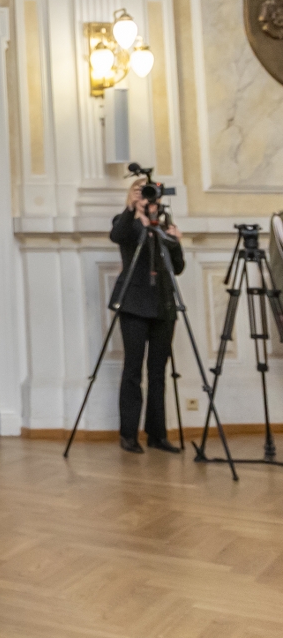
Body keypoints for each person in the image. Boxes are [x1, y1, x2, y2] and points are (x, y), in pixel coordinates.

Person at [111, 182, 185, 455]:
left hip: (164, 306)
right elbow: (117, 236)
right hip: (133, 305)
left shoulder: (164, 226)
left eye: (150, 192)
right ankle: (128, 434)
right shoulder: (126, 222)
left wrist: (176, 242)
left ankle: (157, 434)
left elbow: (177, 267)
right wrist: (131, 207)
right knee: (133, 370)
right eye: (140, 192)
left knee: (158, 373)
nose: (147, 197)